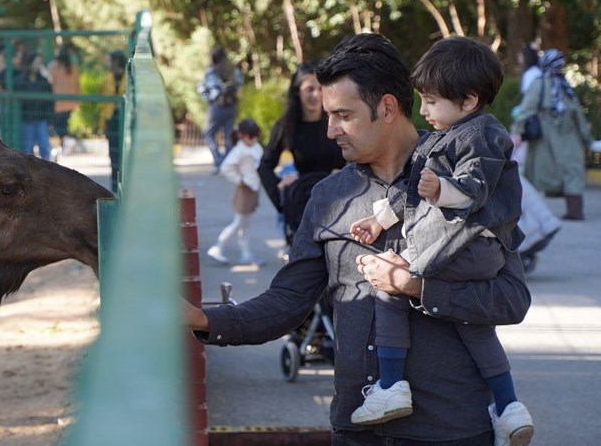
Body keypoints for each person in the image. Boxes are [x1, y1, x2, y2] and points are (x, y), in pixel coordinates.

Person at [183, 33, 532, 446]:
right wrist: (203, 319)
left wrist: (416, 287)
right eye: (327, 115)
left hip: (450, 429)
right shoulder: (327, 197)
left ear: (386, 107)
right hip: (355, 427)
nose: (330, 130)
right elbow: (288, 302)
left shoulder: (470, 177)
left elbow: (511, 298)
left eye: (343, 115)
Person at [343, 37, 530, 444]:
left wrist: (441, 189)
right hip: (476, 253)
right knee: (475, 326)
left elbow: (472, 189)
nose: (423, 110)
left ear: (467, 100)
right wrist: (380, 220)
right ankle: (508, 406)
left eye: (430, 101)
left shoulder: (482, 134)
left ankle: (391, 385)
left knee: (389, 287)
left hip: (468, 246)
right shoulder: (448, 136)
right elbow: (409, 193)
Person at [257, 63, 345, 248]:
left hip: (337, 201)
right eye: (309, 89)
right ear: (298, 91)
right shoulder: (285, 126)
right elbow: (265, 166)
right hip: (302, 204)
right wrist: (280, 198)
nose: (316, 95)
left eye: (320, 88)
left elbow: (353, 158)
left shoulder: (337, 120)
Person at [512, 48, 593, 221]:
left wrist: (517, 131)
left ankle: (525, 212)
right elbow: (578, 114)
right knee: (572, 172)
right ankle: (575, 211)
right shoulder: (566, 86)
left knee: (534, 173)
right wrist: (588, 139)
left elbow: (526, 110)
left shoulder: (539, 83)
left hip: (545, 140)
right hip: (568, 137)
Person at [207, 118, 265, 265]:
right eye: (250, 136)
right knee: (238, 222)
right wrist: (240, 180)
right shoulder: (239, 150)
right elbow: (226, 168)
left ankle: (245, 253)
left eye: (256, 136)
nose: (253, 139)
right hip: (244, 189)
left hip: (253, 188)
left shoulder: (256, 147)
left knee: (245, 224)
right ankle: (218, 247)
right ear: (242, 135)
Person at [198, 45, 243, 171]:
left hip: (218, 106)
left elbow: (204, 88)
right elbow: (240, 84)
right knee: (228, 135)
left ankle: (219, 161)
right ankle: (228, 162)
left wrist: (207, 97)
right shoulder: (233, 70)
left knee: (209, 134)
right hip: (232, 105)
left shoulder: (212, 71)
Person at [15, 52, 54, 160]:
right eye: (36, 62)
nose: (38, 65)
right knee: (26, 149)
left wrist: (50, 121)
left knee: (45, 148)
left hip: (41, 119)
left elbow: (49, 102)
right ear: (30, 63)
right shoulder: (20, 81)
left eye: (40, 63)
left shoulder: (44, 81)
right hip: (26, 119)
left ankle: (47, 174)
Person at [48, 45, 82, 158]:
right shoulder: (72, 67)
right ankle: (63, 146)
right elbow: (77, 84)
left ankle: (60, 147)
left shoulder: (53, 66)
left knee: (56, 127)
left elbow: (49, 83)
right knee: (64, 126)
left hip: (57, 103)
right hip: (70, 103)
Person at [101, 50, 127, 190]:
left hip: (124, 119)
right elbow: (104, 103)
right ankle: (115, 187)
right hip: (112, 118)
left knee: (125, 153)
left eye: (109, 60)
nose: (107, 63)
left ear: (116, 61)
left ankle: (126, 184)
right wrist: (103, 123)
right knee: (114, 153)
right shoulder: (108, 77)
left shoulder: (128, 76)